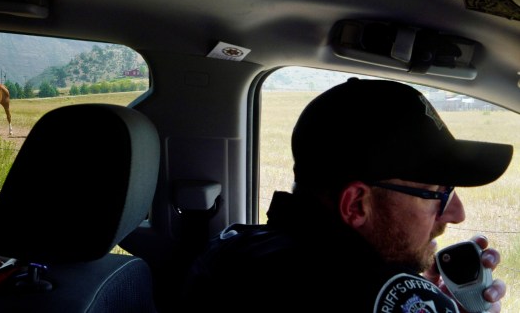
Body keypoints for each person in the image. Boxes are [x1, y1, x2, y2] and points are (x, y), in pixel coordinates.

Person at [178, 77, 512, 312]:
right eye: (437, 193)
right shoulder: (359, 291)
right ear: (355, 205)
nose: (456, 213)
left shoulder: (240, 244)